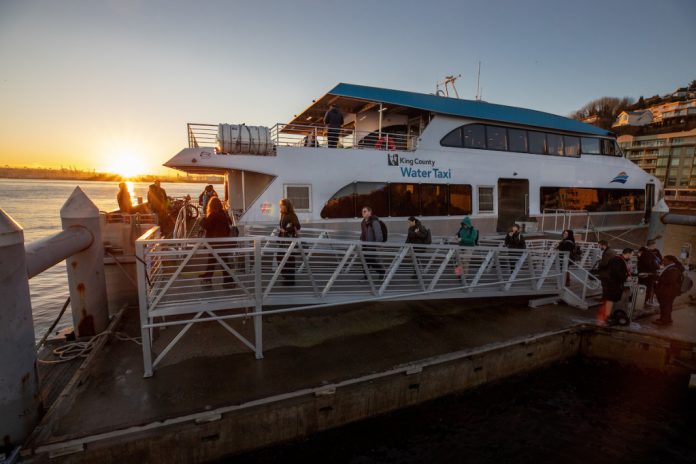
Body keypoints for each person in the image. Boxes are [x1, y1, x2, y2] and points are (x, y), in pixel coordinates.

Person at [200, 197, 233, 287]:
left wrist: (202, 219)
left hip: (215, 242)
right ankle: (208, 277)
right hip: (223, 242)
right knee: (217, 260)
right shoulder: (224, 214)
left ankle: (228, 281)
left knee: (219, 261)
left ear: (211, 205)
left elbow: (207, 226)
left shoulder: (213, 214)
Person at [598, 248, 633, 325]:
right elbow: (617, 272)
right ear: (628, 253)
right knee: (610, 299)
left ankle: (608, 315)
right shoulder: (618, 260)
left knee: (611, 299)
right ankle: (607, 316)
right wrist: (626, 277)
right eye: (632, 254)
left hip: (614, 283)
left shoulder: (618, 259)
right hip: (613, 283)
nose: (632, 256)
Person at [653, 255, 684, 326]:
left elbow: (670, 280)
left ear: (671, 261)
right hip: (668, 290)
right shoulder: (671, 267)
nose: (663, 262)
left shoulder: (673, 269)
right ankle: (667, 319)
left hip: (668, 291)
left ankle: (664, 321)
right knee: (667, 305)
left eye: (665, 261)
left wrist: (657, 278)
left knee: (665, 305)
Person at [277, 198, 301, 286]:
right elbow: (282, 227)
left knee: (289, 259)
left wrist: (286, 230)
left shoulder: (292, 215)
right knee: (279, 257)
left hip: (289, 241)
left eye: (281, 205)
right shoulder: (282, 214)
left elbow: (298, 226)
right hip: (283, 241)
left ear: (286, 206)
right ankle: (287, 277)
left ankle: (290, 280)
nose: (280, 206)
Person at [360, 206, 384, 279]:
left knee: (370, 260)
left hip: (371, 245)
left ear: (370, 212)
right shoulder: (363, 222)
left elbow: (378, 234)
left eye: (365, 211)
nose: (363, 213)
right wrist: (361, 240)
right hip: (365, 245)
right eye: (362, 211)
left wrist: (377, 244)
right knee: (365, 260)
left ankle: (381, 272)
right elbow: (363, 233)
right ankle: (366, 276)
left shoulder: (374, 221)